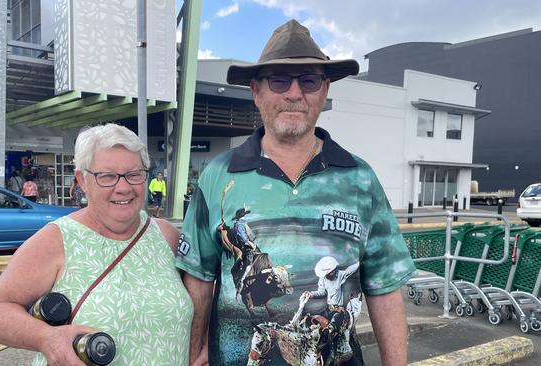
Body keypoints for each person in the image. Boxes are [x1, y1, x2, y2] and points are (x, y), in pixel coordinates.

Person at [176, 19, 416, 366]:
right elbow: (198, 277)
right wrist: (193, 354)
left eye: (308, 80)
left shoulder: (360, 178)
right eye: (279, 80)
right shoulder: (218, 175)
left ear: (324, 90)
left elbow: (385, 288)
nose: (293, 93)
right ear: (256, 91)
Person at [0, 124, 193, 366]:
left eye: (134, 174)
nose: (123, 187)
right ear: (82, 180)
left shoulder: (166, 236)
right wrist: (47, 338)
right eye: (107, 176)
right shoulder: (57, 240)